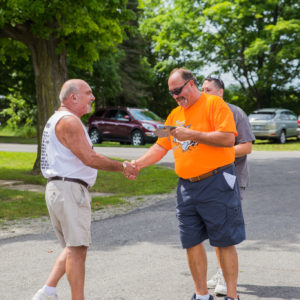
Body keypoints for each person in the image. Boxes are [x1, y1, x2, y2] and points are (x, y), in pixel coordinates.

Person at [131, 68, 245, 300]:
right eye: (172, 93)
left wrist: (192, 134)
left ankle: (232, 296)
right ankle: (201, 295)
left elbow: (228, 138)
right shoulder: (173, 115)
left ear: (191, 84)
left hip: (217, 181)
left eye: (178, 90)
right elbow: (161, 146)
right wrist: (137, 164)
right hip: (186, 187)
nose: (176, 96)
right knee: (191, 240)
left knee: (223, 240)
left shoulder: (214, 104)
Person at [32, 79, 137, 300]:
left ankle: (47, 292)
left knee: (72, 247)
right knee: (78, 251)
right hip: (69, 189)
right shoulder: (69, 121)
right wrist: (122, 167)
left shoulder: (55, 119)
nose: (93, 97)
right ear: (73, 97)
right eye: (88, 93)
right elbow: (88, 158)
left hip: (58, 188)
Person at [201, 76, 255, 296]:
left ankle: (226, 276)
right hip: (209, 180)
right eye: (202, 90)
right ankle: (221, 270)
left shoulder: (235, 112)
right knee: (216, 229)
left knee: (226, 230)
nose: (204, 94)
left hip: (232, 180)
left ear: (221, 92)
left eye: (209, 90)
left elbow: (247, 147)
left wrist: (221, 153)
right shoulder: (203, 115)